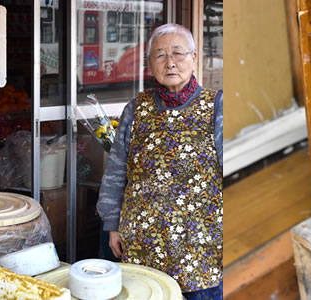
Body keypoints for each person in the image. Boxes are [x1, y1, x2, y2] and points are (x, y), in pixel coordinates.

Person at [97, 23, 222, 299]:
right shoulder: (136, 108)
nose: (170, 62)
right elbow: (116, 171)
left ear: (193, 58)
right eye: (160, 55)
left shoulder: (216, 106)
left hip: (201, 252)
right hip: (142, 246)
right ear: (150, 63)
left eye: (178, 53)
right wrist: (112, 224)